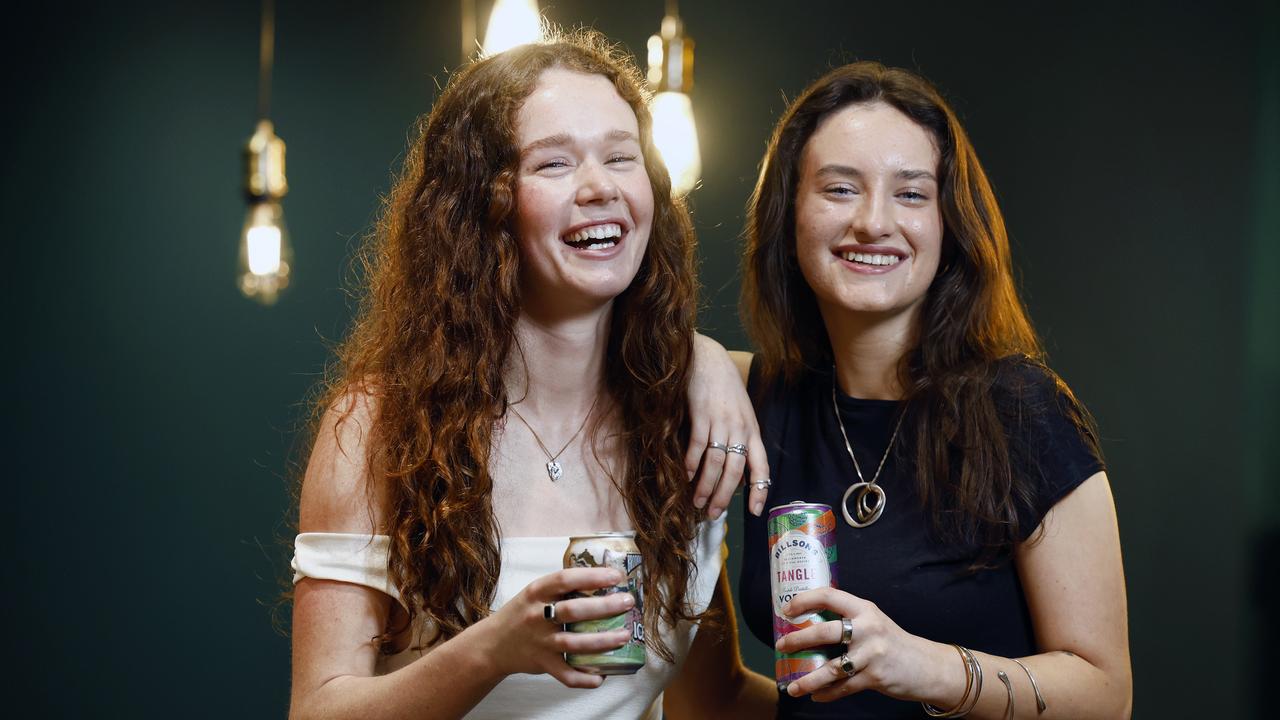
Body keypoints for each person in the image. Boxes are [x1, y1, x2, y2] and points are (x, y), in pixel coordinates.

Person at [287, 31, 774, 720]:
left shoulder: (687, 422)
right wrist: (493, 649)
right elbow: (316, 711)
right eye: (555, 164)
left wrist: (705, 356)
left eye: (620, 156)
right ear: (482, 206)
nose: (600, 186)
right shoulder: (377, 425)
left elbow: (714, 699)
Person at [718, 62, 1131, 718]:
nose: (874, 222)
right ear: (788, 213)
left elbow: (1106, 696)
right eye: (840, 189)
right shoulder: (758, 399)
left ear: (949, 224)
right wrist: (706, 358)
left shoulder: (1023, 412)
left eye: (910, 194)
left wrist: (924, 666)